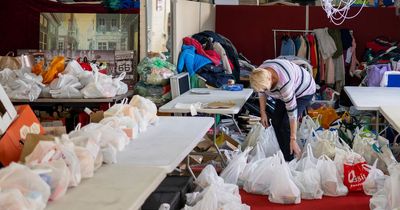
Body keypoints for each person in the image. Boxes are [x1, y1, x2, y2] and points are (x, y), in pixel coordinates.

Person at [249, 58, 316, 161]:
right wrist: (263, 112)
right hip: (282, 93)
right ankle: (284, 153)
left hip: (304, 91)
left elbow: (292, 114)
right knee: (276, 121)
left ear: (271, 79)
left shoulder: (284, 83)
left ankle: (290, 158)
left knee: (286, 124)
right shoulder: (260, 73)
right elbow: (261, 92)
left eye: (266, 89)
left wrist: (292, 139)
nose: (265, 91)